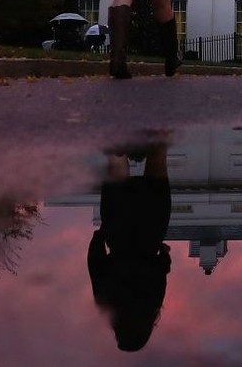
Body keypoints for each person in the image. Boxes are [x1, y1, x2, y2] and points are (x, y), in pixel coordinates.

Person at [88, 137, 172, 352]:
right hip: (118, 236)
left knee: (157, 160)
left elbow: (161, 271)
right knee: (117, 167)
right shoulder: (107, 307)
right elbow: (95, 266)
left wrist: (162, 252)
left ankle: (162, 124)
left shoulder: (151, 305)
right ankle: (117, 136)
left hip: (150, 234)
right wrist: (99, 237)